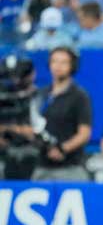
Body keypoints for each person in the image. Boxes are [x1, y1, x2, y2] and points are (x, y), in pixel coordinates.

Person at [32, 46, 92, 181]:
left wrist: (62, 149)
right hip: (42, 166)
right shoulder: (41, 94)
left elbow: (84, 133)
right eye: (54, 61)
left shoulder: (80, 96)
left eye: (63, 62)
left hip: (71, 168)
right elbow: (33, 126)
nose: (58, 66)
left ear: (72, 66)